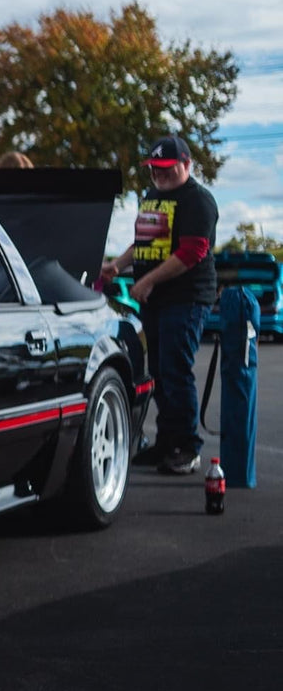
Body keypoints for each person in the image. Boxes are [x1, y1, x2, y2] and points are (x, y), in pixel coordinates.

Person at [100, 135, 219, 474]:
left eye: (167, 169)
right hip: (154, 300)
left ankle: (187, 447)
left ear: (187, 165)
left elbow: (192, 252)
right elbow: (145, 242)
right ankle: (167, 442)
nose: (160, 176)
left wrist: (149, 280)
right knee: (159, 373)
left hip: (186, 298)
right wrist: (117, 265)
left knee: (175, 370)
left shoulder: (197, 200)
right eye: (154, 170)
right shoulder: (153, 197)